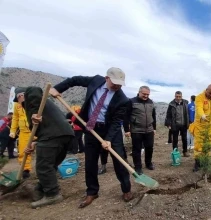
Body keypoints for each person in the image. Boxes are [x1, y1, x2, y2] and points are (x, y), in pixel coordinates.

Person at [50, 67, 133, 208]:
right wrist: (58, 88)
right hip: (91, 128)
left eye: (120, 83)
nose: (118, 86)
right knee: (90, 162)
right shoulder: (96, 81)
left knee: (119, 161)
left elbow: (116, 122)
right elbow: (74, 80)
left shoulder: (123, 100)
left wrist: (108, 139)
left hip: (111, 131)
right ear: (107, 78)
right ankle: (92, 191)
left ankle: (126, 189)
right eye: (115, 83)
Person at [23, 86, 75, 209]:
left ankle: (52, 194)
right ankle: (41, 189)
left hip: (52, 136)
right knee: (50, 165)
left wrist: (34, 111)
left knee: (43, 166)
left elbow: (34, 90)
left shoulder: (34, 101)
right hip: (65, 135)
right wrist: (35, 142)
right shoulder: (48, 105)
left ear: (21, 96)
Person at [123, 86, 156, 175]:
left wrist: (154, 128)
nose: (146, 96)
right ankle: (138, 167)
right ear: (139, 92)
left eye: (147, 94)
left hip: (149, 129)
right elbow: (126, 116)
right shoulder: (131, 101)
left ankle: (148, 163)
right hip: (136, 130)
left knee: (149, 148)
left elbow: (153, 116)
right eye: (144, 94)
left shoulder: (150, 102)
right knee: (136, 149)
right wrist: (126, 130)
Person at [190, 84, 211, 172]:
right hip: (200, 126)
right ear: (206, 90)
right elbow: (199, 108)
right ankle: (197, 163)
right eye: (210, 93)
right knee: (198, 145)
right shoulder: (199, 97)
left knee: (208, 144)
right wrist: (202, 115)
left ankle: (206, 161)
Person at [9, 87, 33, 179]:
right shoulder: (16, 105)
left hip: (35, 131)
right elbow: (15, 118)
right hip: (24, 133)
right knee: (23, 151)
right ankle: (26, 170)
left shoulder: (32, 102)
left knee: (44, 149)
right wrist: (12, 131)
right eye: (18, 96)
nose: (20, 97)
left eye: (22, 95)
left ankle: (50, 167)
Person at [165, 91, 190, 157]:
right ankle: (175, 153)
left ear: (182, 96)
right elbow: (168, 115)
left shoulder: (186, 103)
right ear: (175, 96)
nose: (178, 98)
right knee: (175, 139)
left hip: (184, 124)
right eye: (177, 96)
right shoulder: (171, 104)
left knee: (184, 139)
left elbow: (188, 113)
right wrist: (168, 124)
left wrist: (189, 122)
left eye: (179, 96)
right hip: (175, 124)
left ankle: (185, 152)